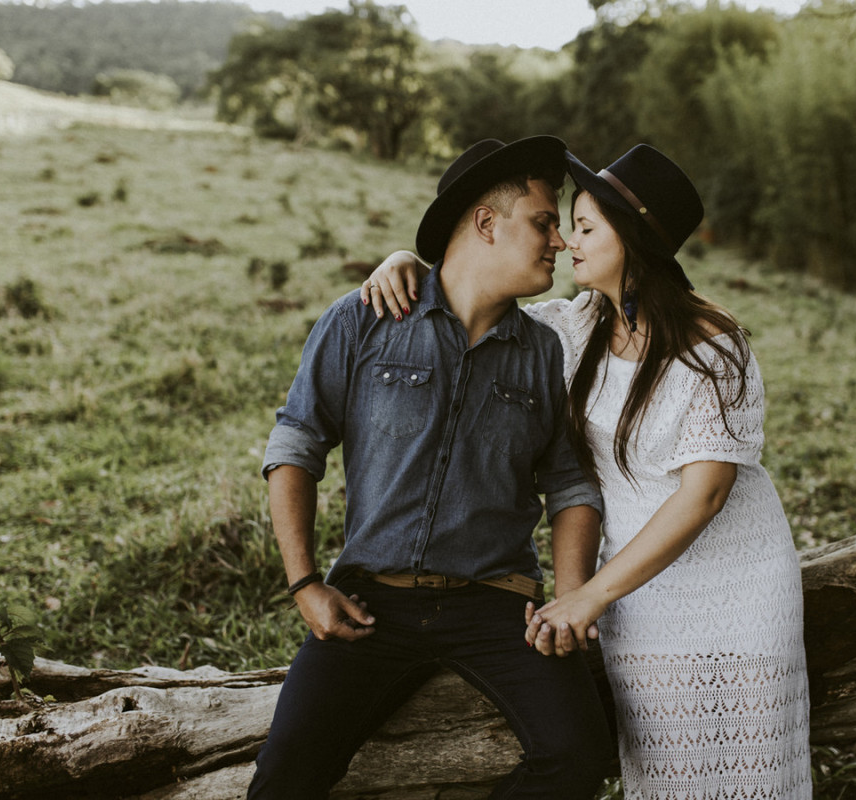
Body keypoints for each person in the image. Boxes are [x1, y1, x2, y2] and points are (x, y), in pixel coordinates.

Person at [363, 144, 812, 799]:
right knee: (668, 772)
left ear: (632, 240)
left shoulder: (715, 346)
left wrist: (589, 595)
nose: (567, 243)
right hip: (640, 592)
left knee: (751, 771)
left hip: (735, 584)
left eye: (584, 228)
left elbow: (704, 496)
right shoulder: (576, 327)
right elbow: (469, 304)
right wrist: (409, 262)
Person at [250, 136, 614, 799]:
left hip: (498, 605)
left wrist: (566, 601)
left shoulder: (546, 351)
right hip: (370, 605)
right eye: (543, 222)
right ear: (485, 223)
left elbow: (569, 483)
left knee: (579, 754)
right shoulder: (364, 319)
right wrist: (304, 582)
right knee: (284, 775)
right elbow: (297, 442)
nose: (559, 242)